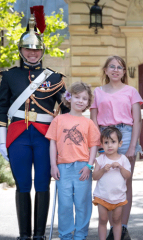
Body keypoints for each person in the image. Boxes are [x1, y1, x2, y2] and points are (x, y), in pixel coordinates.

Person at [0, 6, 69, 239]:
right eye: (27, 49)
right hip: (18, 136)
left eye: (36, 50)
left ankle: (39, 235)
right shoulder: (9, 76)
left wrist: (78, 97)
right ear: (20, 50)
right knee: (22, 186)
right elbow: (1, 109)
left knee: (42, 183)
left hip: (44, 137)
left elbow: (69, 107)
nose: (32, 53)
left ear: (42, 51)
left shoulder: (55, 78)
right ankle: (24, 235)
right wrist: (1, 139)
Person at [90, 55, 143, 240]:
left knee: (124, 182)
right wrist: (97, 143)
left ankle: (122, 226)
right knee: (105, 179)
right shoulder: (97, 92)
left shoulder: (131, 91)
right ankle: (110, 225)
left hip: (125, 135)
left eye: (119, 67)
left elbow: (137, 120)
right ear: (105, 70)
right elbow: (94, 120)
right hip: (105, 136)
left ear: (124, 71)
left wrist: (132, 146)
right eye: (111, 66)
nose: (115, 70)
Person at [46, 82, 100, 239]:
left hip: (82, 167)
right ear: (69, 98)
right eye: (77, 97)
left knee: (83, 203)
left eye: (84, 98)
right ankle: (65, 235)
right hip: (63, 168)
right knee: (65, 204)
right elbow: (53, 143)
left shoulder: (89, 123)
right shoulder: (59, 120)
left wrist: (89, 165)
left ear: (88, 102)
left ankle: (80, 235)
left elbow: (94, 145)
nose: (80, 101)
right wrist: (53, 165)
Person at [93, 127, 132, 240]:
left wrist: (120, 167)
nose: (109, 145)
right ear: (102, 144)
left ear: (120, 144)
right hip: (102, 196)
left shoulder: (123, 159)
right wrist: (102, 170)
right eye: (106, 142)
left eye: (113, 142)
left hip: (118, 197)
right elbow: (95, 177)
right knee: (103, 219)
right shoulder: (100, 159)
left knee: (116, 220)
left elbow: (127, 175)